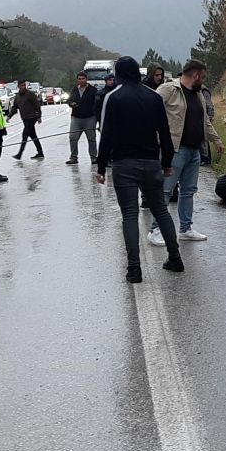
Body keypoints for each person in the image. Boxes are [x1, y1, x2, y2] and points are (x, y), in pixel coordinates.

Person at [95, 56, 183, 283]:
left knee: (130, 215)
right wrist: (166, 164)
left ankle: (134, 268)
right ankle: (175, 257)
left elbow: (106, 135)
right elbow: (164, 132)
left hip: (124, 164)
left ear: (119, 73)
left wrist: (102, 166)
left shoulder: (113, 97)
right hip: (152, 162)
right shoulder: (153, 96)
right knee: (161, 210)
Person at [147, 59, 224, 244]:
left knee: (188, 190)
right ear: (195, 75)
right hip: (175, 150)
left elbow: (205, 121)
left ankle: (185, 228)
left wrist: (217, 140)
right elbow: (149, 111)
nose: (203, 81)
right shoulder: (168, 90)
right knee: (166, 190)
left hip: (194, 150)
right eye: (202, 77)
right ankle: (155, 230)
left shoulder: (198, 95)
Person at [66, 71, 98, 165]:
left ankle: (93, 157)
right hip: (76, 118)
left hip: (90, 118)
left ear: (86, 79)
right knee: (73, 137)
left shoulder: (93, 90)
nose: (81, 80)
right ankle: (73, 157)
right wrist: (71, 104)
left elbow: (97, 103)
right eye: (79, 79)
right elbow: (69, 100)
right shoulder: (74, 89)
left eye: (83, 78)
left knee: (91, 138)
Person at [8, 79, 45, 160]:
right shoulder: (17, 96)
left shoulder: (30, 94)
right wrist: (9, 116)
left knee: (25, 135)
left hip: (32, 118)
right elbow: (15, 107)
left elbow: (37, 106)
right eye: (21, 85)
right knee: (33, 136)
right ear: (18, 86)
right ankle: (40, 152)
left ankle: (19, 154)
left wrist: (39, 117)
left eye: (24, 85)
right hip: (25, 118)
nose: (23, 87)